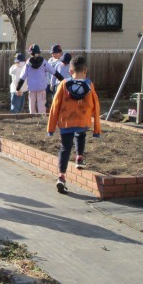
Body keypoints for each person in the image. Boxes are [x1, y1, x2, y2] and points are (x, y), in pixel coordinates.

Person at [47, 56, 101, 194]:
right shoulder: (89, 85)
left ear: (70, 71)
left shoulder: (64, 84)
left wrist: (51, 128)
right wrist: (96, 129)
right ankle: (79, 157)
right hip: (82, 120)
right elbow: (95, 104)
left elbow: (55, 105)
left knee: (65, 147)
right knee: (80, 134)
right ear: (85, 70)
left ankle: (61, 176)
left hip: (66, 121)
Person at [15, 44, 64, 114]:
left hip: (32, 88)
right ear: (39, 52)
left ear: (30, 53)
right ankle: (41, 116)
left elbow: (22, 77)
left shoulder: (28, 63)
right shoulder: (44, 62)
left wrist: (18, 88)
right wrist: (63, 80)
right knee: (41, 104)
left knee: (32, 103)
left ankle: (32, 116)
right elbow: (54, 71)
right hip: (41, 87)